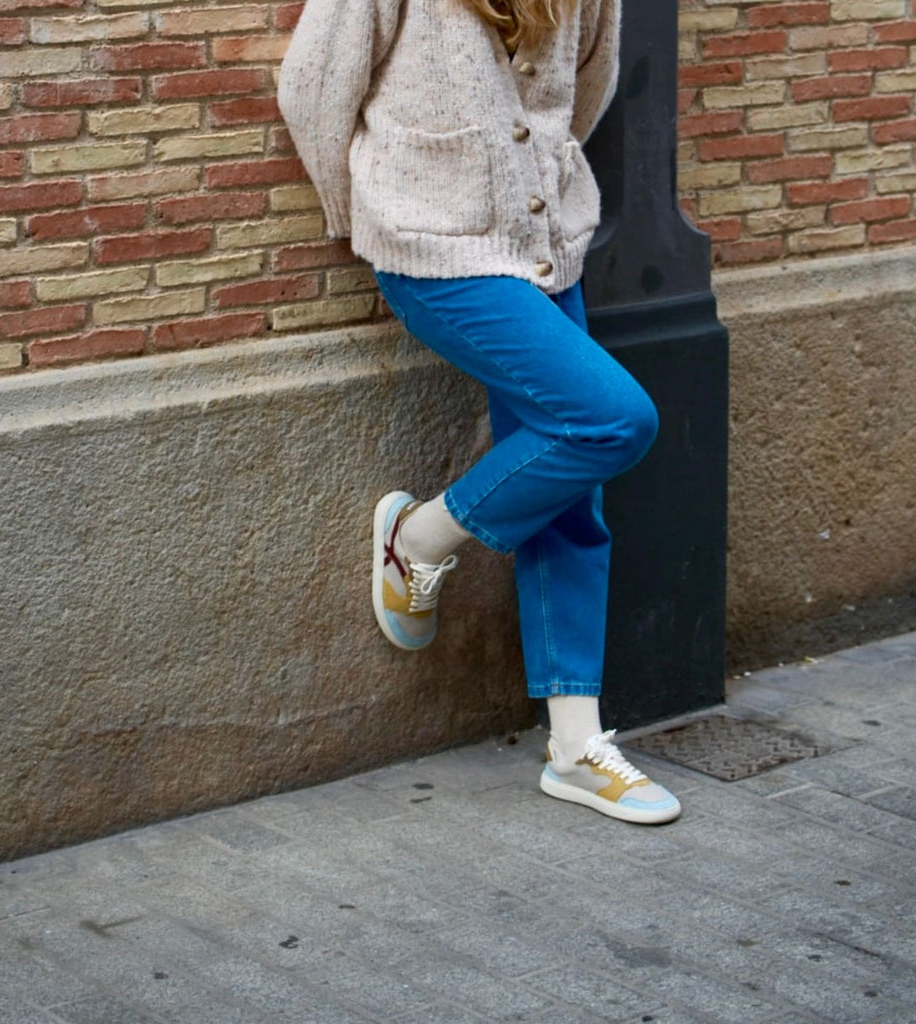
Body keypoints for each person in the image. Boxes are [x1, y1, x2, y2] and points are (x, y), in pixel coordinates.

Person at [279, 0, 681, 824]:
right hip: (437, 253)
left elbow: (587, 86)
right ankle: (419, 538)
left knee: (571, 492)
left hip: (543, 244)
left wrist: (547, 174)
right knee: (613, 419)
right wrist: (361, 214)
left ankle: (575, 747)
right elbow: (313, 86)